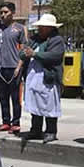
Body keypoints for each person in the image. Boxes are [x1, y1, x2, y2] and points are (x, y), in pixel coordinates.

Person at [21, 14, 66, 144]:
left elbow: (55, 56)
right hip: (34, 76)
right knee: (35, 103)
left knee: (49, 104)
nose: (39, 28)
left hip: (48, 77)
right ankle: (36, 129)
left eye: (42, 26)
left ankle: (51, 131)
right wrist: (25, 53)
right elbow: (23, 52)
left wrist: (34, 54)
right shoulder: (35, 39)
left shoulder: (56, 40)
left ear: (50, 28)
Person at [0, 2, 28, 134]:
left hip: (14, 67)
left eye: (5, 12)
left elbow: (24, 49)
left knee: (15, 97)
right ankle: (5, 121)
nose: (3, 15)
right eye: (1, 12)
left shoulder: (19, 28)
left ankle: (15, 122)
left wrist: (19, 66)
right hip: (0, 67)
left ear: (13, 12)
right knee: (2, 97)